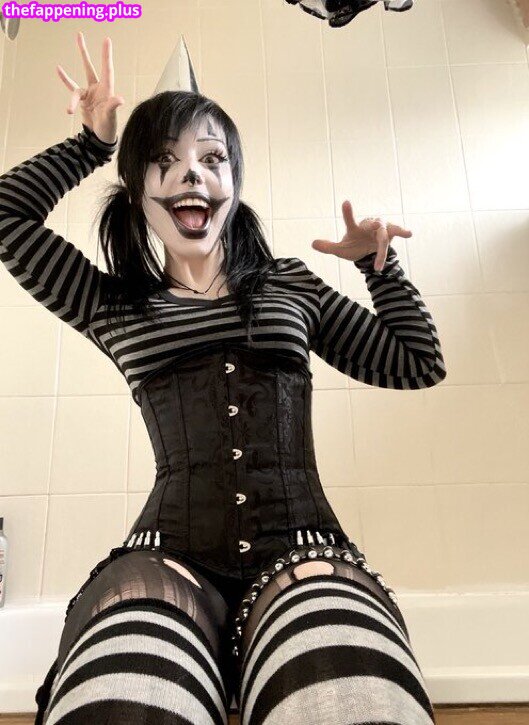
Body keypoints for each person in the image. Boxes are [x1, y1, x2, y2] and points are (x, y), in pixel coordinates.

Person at [0, 31, 445, 725]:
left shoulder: (287, 285)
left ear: (233, 186)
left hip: (304, 550)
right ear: (138, 191)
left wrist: (378, 269)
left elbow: (416, 362)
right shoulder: (110, 303)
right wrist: (91, 144)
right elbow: (6, 214)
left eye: (212, 158)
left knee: (351, 693)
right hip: (166, 560)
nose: (191, 174)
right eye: (164, 160)